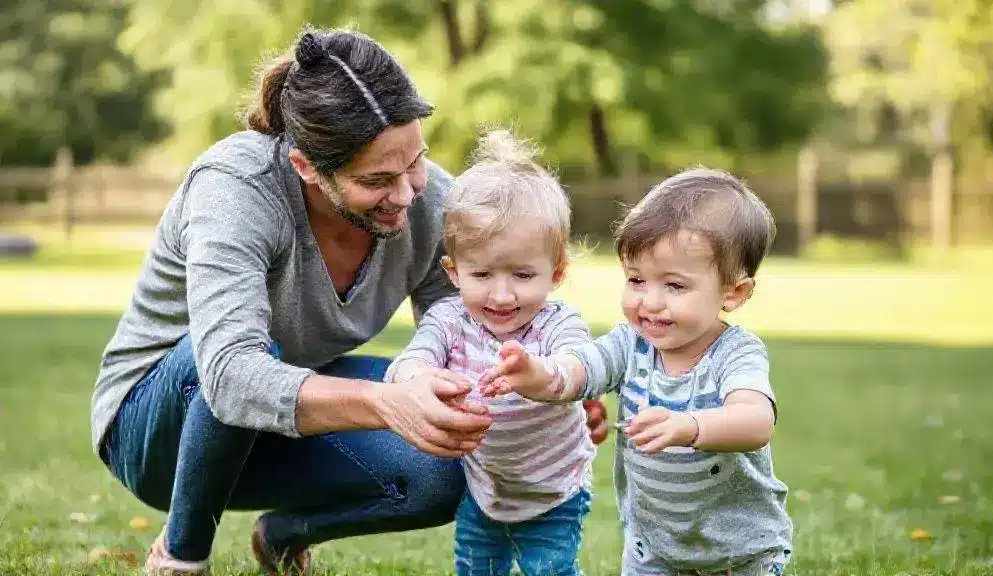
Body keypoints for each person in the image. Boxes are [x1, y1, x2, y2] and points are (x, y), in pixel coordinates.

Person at [88, 27, 608, 576]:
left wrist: (550, 391)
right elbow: (229, 374)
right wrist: (388, 402)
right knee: (239, 357)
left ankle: (283, 535)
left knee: (449, 455)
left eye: (415, 162)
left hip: (288, 415)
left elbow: (473, 338)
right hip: (160, 431)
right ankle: (180, 558)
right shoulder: (237, 187)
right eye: (377, 179)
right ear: (306, 167)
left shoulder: (431, 205)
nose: (408, 193)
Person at [480, 168, 794, 576]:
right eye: (636, 279)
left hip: (741, 552)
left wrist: (688, 426)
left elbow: (756, 422)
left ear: (733, 293)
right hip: (654, 551)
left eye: (675, 286)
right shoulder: (630, 343)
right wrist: (537, 373)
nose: (650, 302)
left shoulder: (735, 353)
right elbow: (580, 371)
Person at [383, 130, 596, 576]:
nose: (501, 295)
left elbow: (578, 367)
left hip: (554, 490)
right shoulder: (448, 319)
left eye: (522, 274)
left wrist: (537, 374)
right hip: (484, 488)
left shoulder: (557, 324)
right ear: (453, 271)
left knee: (549, 568)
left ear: (556, 273)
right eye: (481, 273)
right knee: (476, 567)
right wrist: (418, 379)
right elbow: (410, 360)